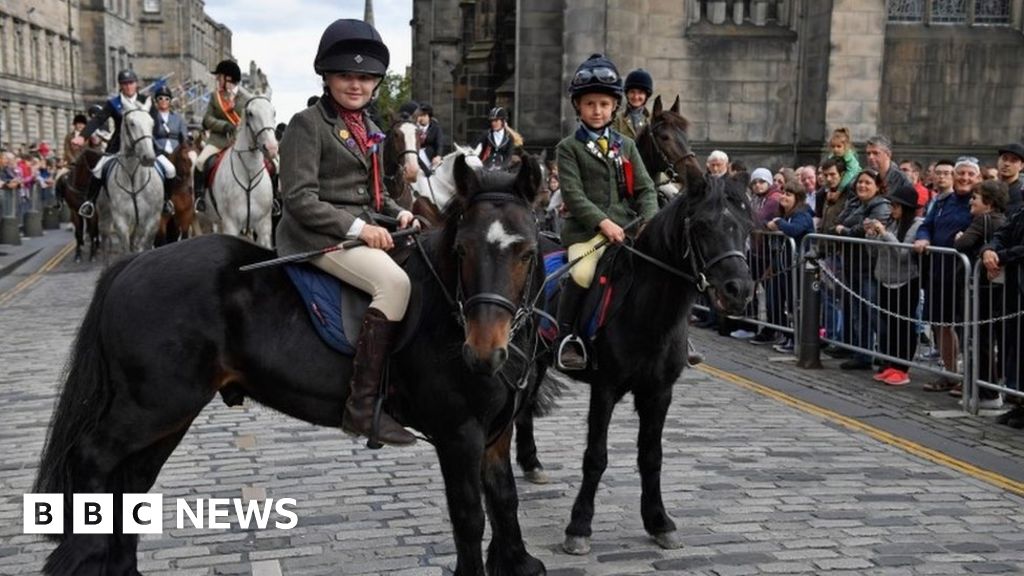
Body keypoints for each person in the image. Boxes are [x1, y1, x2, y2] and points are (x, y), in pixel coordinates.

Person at [275, 18, 417, 447]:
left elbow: (374, 196)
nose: (356, 85)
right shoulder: (307, 124)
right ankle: (362, 406)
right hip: (314, 236)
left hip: (362, 230)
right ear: (327, 76)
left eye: (365, 77)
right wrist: (360, 228)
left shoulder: (368, 129)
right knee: (394, 284)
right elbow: (299, 199)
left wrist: (400, 215)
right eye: (346, 76)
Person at [555, 53, 658, 370]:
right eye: (589, 104)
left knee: (658, 272)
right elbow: (573, 195)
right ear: (578, 107)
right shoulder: (568, 148)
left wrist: (649, 224)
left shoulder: (626, 146)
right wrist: (604, 223)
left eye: (603, 104)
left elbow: (645, 189)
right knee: (583, 273)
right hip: (587, 232)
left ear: (614, 106)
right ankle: (568, 337)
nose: (597, 111)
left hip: (628, 229)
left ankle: (673, 336)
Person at [913, 157, 980, 391]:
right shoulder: (942, 202)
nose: (964, 178)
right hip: (939, 271)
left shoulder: (979, 203)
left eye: (970, 175)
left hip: (965, 274)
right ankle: (951, 374)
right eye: (961, 173)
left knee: (965, 327)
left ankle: (970, 377)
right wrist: (923, 237)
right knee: (940, 323)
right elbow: (926, 225)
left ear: (978, 178)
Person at [953, 179, 1009, 407]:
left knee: (978, 340)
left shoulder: (982, 220)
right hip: (995, 289)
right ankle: (989, 389)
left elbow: (962, 244)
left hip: (981, 290)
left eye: (975, 198)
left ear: (989, 202)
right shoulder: (1003, 220)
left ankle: (986, 392)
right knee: (987, 339)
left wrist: (959, 238)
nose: (971, 203)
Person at [74, 69, 156, 218]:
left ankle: (166, 201)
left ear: (136, 84)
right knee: (99, 169)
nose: (128, 86)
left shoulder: (146, 101)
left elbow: (154, 123)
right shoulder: (114, 103)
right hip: (120, 145)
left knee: (168, 169)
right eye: (125, 84)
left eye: (131, 83)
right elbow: (98, 119)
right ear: (120, 86)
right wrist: (83, 136)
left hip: (145, 145)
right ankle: (89, 203)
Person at [832, 168, 893, 370]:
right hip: (852, 264)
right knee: (859, 312)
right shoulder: (856, 203)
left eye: (867, 183)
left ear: (877, 186)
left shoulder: (882, 205)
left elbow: (864, 230)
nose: (862, 186)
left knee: (874, 312)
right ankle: (863, 354)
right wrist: (848, 229)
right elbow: (839, 222)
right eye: (860, 182)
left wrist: (847, 230)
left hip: (870, 266)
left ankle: (886, 357)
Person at [865, 185, 924, 386]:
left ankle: (902, 367)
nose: (893, 209)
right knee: (888, 325)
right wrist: (871, 235)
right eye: (892, 205)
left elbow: (903, 254)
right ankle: (890, 363)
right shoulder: (891, 224)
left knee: (903, 326)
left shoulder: (916, 225)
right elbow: (873, 252)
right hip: (884, 280)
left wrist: (885, 234)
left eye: (897, 206)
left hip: (905, 281)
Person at [764, 179, 815, 353]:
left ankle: (796, 339)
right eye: (783, 193)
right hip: (783, 267)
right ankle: (786, 334)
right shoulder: (785, 215)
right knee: (774, 302)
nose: (784, 197)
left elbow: (794, 230)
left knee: (796, 305)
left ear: (798, 198)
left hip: (798, 267)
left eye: (788, 194)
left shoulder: (803, 214)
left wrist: (778, 223)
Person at [194, 59, 251, 212]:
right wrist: (224, 125)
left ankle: (271, 200)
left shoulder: (245, 100)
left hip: (240, 143)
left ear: (228, 78)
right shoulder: (215, 97)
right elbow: (207, 119)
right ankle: (199, 198)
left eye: (219, 77)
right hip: (218, 141)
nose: (217, 80)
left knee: (270, 163)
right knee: (199, 162)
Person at [151, 84, 190, 214]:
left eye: (167, 98)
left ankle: (194, 197)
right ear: (156, 101)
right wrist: (158, 150)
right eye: (160, 98)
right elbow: (150, 136)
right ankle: (165, 200)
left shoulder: (177, 118)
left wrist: (184, 150)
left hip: (176, 151)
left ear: (170, 101)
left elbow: (183, 137)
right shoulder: (152, 117)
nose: (163, 101)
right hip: (158, 152)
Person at [475, 106, 524, 171]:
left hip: (502, 169)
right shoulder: (486, 134)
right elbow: (476, 148)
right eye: (492, 121)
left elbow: (508, 157)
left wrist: (501, 168)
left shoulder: (509, 138)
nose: (493, 123)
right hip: (485, 168)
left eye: (496, 120)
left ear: (503, 121)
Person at [613, 68, 652, 140]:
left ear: (646, 96)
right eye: (632, 92)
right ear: (627, 94)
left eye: (640, 92)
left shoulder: (652, 120)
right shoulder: (617, 119)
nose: (636, 97)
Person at [826, 127, 861, 194]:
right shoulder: (831, 156)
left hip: (852, 180)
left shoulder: (849, 156)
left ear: (846, 146)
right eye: (833, 146)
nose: (835, 149)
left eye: (839, 146)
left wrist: (839, 190)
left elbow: (850, 174)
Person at [415, 103, 445, 170]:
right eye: (419, 115)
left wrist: (438, 156)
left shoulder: (436, 128)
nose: (421, 118)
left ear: (429, 117)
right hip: (415, 155)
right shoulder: (414, 127)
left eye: (424, 115)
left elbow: (439, 143)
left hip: (429, 156)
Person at [996, 142, 1023, 214]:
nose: (1007, 164)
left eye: (1013, 160)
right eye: (1004, 158)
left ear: (1021, 166)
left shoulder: (1021, 193)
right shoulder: (989, 187)